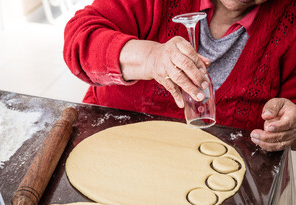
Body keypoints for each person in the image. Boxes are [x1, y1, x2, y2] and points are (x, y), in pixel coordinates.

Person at [63, 0, 296, 152]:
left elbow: (288, 120)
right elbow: (79, 42)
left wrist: (288, 124)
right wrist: (152, 57)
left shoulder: (290, 23)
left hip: (212, 184)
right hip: (110, 151)